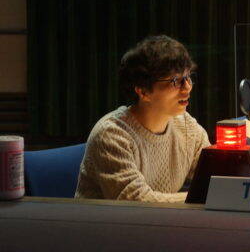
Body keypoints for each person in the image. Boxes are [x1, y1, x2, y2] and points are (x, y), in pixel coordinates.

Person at [75, 35, 211, 202]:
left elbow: (214, 180)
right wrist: (204, 197)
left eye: (188, 77)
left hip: (162, 219)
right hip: (106, 219)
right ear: (143, 91)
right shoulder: (112, 134)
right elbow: (136, 201)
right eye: (175, 81)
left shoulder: (187, 127)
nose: (187, 87)